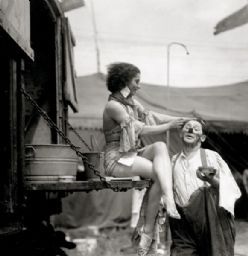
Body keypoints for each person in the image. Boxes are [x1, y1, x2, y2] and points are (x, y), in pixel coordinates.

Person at [103, 62, 189, 255]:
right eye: (137, 81)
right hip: (116, 159)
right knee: (161, 173)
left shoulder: (132, 102)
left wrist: (180, 121)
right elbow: (140, 128)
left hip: (131, 155)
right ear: (125, 81)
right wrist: (170, 126)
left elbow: (151, 116)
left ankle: (157, 214)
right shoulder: (113, 106)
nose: (139, 86)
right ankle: (150, 227)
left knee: (160, 147)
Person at [169, 118, 241, 256]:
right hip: (183, 227)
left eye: (196, 129)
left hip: (211, 222)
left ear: (202, 138)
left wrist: (211, 180)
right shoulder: (172, 161)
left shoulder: (211, 157)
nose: (190, 130)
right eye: (187, 127)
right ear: (180, 133)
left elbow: (232, 190)